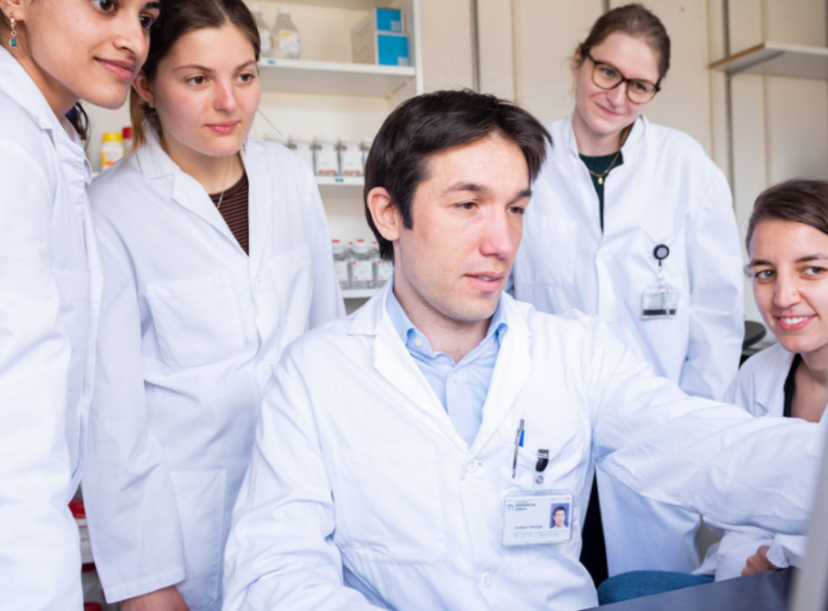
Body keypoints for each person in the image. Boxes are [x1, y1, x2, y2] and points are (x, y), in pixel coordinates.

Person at [222, 90, 823, 611]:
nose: (502, 240)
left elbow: (711, 450)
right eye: (467, 205)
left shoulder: (575, 353)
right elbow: (275, 574)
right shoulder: (316, 374)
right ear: (388, 214)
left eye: (515, 208)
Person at [80, 1, 344, 609]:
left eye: (245, 76)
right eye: (198, 79)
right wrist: (146, 583)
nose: (229, 102)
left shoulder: (289, 177)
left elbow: (328, 339)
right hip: (185, 531)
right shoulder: (111, 211)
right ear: (145, 84)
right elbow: (113, 424)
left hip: (305, 507)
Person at [511, 3, 744, 578]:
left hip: (654, 425)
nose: (617, 96)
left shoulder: (685, 166)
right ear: (578, 62)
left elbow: (717, 315)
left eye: (640, 86)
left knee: (649, 584)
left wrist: (689, 421)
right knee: (552, 576)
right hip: (547, 420)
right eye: (606, 72)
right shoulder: (526, 158)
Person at [597, 179, 828, 605]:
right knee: (619, 592)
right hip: (756, 581)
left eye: (812, 269)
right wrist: (753, 568)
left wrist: (783, 558)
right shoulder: (757, 375)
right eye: (765, 273)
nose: (783, 296)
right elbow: (733, 518)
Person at [0, 0, 159, 608]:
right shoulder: (12, 146)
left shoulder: (50, 139)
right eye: (105, 4)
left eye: (144, 17)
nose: (133, 40)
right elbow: (16, 433)